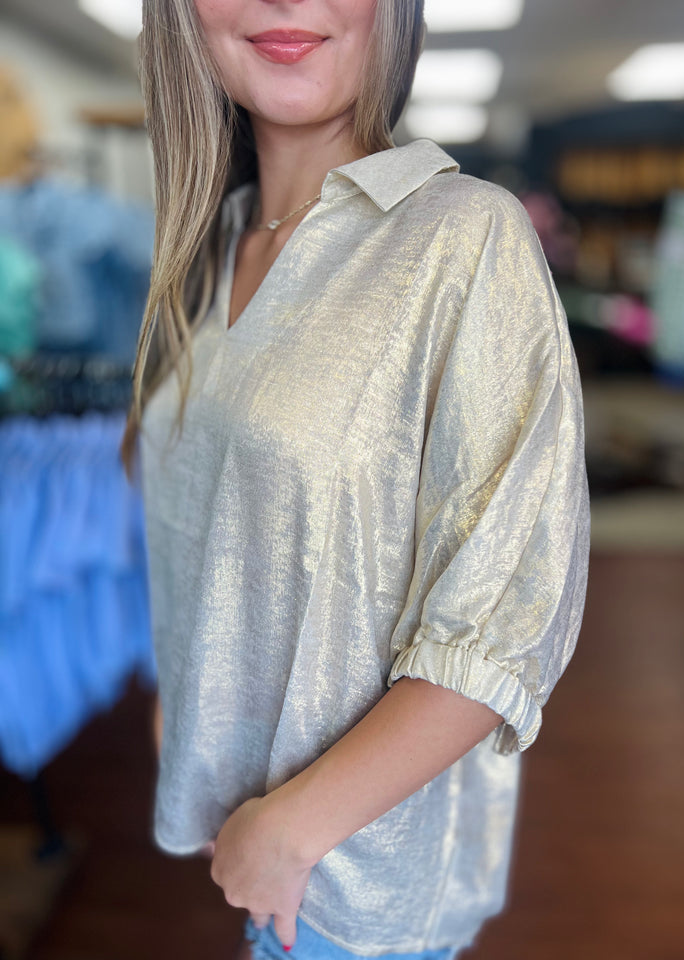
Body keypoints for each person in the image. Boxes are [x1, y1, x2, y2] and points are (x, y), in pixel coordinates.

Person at [120, 1, 591, 959]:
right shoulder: (208, 250)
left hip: (354, 877)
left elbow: (509, 609)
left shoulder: (463, 236)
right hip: (253, 845)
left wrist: (294, 828)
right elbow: (210, 518)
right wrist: (188, 707)